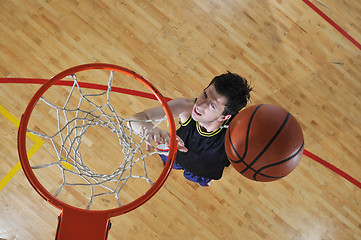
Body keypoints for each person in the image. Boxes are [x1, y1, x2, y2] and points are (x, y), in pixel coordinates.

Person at [129, 72, 252, 186]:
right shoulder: (186, 107)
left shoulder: (237, 132)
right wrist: (148, 129)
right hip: (177, 155)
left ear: (225, 116)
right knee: (171, 161)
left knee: (193, 177)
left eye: (212, 105)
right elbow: (134, 120)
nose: (200, 105)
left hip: (204, 171)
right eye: (205, 94)